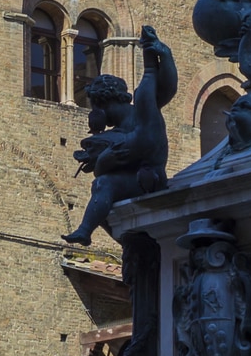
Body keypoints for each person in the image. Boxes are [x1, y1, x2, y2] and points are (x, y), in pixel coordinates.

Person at [64, 26, 178, 245]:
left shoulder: (143, 111)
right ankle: (90, 231)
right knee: (103, 184)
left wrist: (160, 53)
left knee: (104, 184)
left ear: (100, 104)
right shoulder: (114, 133)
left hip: (151, 178)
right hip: (134, 179)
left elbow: (159, 82)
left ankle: (85, 231)